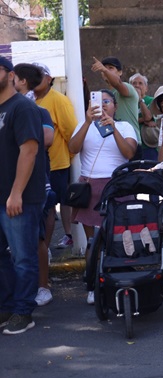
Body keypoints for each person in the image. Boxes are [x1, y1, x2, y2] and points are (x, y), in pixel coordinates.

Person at [69, 89, 138, 304]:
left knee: (117, 237)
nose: (103, 105)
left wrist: (113, 128)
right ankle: (92, 285)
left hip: (117, 185)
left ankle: (118, 280)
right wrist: (88, 122)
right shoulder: (84, 125)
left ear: (115, 106)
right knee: (93, 241)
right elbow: (72, 148)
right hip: (89, 186)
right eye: (99, 101)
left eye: (107, 101)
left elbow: (129, 153)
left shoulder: (125, 126)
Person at [0, 57, 47, 334]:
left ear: (10, 75)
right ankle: (6, 306)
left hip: (20, 197)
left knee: (23, 256)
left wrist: (16, 192)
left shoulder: (23, 107)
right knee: (2, 258)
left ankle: (23, 311)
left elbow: (29, 151)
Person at [12, 64, 55, 308]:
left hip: (34, 184)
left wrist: (19, 130)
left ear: (22, 82)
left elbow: (47, 138)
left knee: (36, 238)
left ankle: (42, 286)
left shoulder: (38, 111)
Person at [32, 63, 77, 251]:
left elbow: (71, 131)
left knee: (57, 203)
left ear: (49, 79)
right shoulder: (30, 101)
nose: (35, 80)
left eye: (39, 76)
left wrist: (70, 157)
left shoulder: (58, 100)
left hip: (57, 162)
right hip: (36, 164)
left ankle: (65, 237)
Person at [91, 56, 141, 148]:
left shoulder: (127, 87)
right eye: (104, 68)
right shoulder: (104, 95)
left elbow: (117, 83)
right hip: (111, 144)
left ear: (120, 72)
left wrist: (105, 70)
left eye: (111, 68)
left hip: (131, 142)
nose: (106, 70)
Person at [128, 73, 157, 161]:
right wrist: (143, 120)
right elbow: (127, 121)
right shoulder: (127, 102)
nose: (137, 86)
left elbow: (148, 117)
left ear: (146, 88)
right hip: (131, 144)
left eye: (140, 83)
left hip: (148, 144)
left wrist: (140, 99)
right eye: (134, 83)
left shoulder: (151, 101)